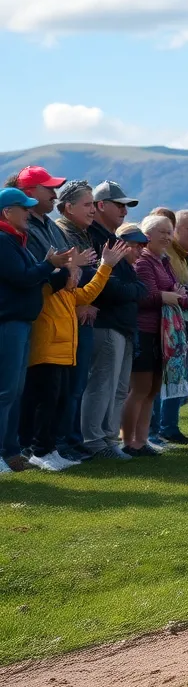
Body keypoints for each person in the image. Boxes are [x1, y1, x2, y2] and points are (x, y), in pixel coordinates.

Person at [21, 240, 125, 470]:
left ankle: (50, 449)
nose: (78, 277)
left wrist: (105, 266)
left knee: (58, 404)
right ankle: (38, 451)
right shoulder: (48, 288)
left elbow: (89, 292)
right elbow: (52, 277)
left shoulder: (69, 294)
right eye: (75, 273)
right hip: (46, 355)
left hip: (65, 356)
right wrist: (69, 264)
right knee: (45, 405)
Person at [0, 187, 76, 473]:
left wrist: (48, 268)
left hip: (21, 323)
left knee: (14, 391)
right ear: (8, 212)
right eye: (24, 208)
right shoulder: (3, 240)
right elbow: (21, 278)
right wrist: (50, 265)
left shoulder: (14, 240)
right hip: (9, 323)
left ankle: (10, 452)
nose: (29, 213)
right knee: (6, 391)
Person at [81, 182, 145, 460]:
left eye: (125, 206)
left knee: (118, 388)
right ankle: (95, 441)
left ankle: (108, 439)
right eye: (119, 205)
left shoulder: (110, 239)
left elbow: (136, 286)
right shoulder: (93, 238)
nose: (123, 210)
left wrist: (132, 291)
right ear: (100, 205)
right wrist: (133, 291)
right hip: (107, 322)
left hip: (121, 324)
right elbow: (112, 287)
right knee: (102, 384)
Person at [121, 215, 188, 457]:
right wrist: (166, 296)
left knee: (152, 390)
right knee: (139, 388)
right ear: (147, 235)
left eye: (170, 232)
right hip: (146, 331)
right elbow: (144, 296)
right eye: (162, 231)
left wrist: (172, 295)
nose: (168, 236)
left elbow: (183, 295)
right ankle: (128, 441)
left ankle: (142, 439)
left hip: (164, 335)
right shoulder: (145, 262)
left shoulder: (165, 261)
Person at [54, 180, 100, 462]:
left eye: (93, 204)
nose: (92, 210)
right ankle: (62, 441)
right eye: (87, 205)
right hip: (69, 315)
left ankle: (72, 438)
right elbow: (69, 276)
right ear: (68, 207)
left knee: (78, 384)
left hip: (83, 313)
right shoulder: (62, 234)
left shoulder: (83, 234)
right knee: (68, 386)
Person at [159, 210, 188, 444]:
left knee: (179, 376)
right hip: (168, 325)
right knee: (166, 377)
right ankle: (161, 427)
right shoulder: (167, 255)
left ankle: (169, 426)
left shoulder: (183, 256)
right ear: (176, 230)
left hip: (181, 324)